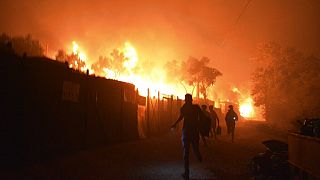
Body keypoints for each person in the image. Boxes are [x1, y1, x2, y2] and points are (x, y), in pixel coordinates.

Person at [171, 94, 202, 180]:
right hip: (194, 131)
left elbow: (181, 117)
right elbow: (202, 117)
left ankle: (186, 173)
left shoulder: (184, 108)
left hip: (187, 131)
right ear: (192, 100)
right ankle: (197, 154)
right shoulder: (196, 107)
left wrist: (174, 124)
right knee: (195, 147)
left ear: (185, 100)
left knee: (186, 153)